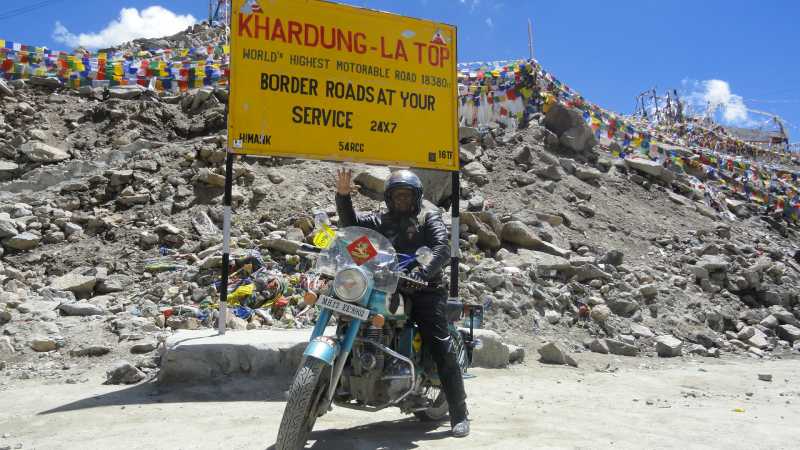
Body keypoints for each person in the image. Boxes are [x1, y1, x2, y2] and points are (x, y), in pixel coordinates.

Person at [334, 167, 470, 438]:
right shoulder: (380, 219)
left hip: (424, 289)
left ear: (416, 197)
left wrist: (421, 273)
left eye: (407, 195)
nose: (402, 200)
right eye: (397, 196)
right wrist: (343, 196)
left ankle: (459, 413)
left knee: (439, 342)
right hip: (385, 286)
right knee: (348, 316)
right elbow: (351, 227)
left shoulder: (427, 216)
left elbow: (442, 248)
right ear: (389, 198)